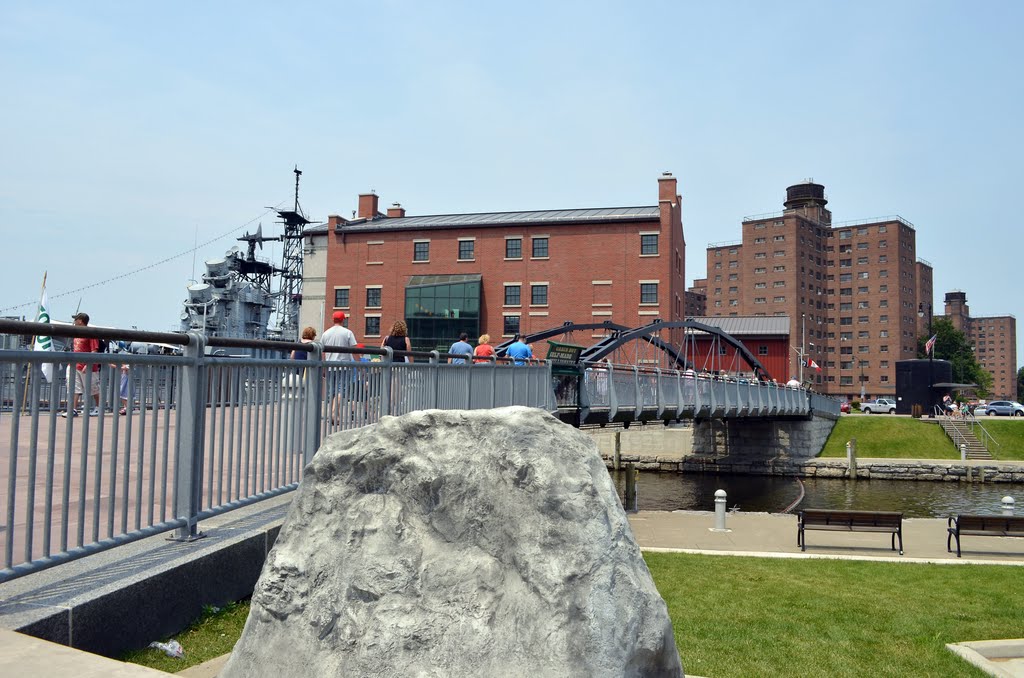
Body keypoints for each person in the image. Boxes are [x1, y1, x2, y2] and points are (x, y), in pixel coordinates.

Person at [63, 312, 101, 417]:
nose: (74, 321)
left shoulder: (91, 333)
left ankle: (99, 408)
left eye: (76, 319)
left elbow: (94, 351)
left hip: (88, 367)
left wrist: (88, 364)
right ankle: (73, 409)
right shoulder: (76, 334)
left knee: (93, 389)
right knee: (73, 388)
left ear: (80, 321)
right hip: (74, 365)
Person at [321, 312, 357, 423]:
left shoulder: (326, 333)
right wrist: (359, 364)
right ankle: (333, 412)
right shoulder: (347, 333)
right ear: (343, 320)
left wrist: (324, 366)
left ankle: (334, 414)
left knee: (332, 391)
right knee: (341, 390)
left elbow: (322, 352)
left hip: (330, 365)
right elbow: (355, 350)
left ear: (333, 319)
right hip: (344, 365)